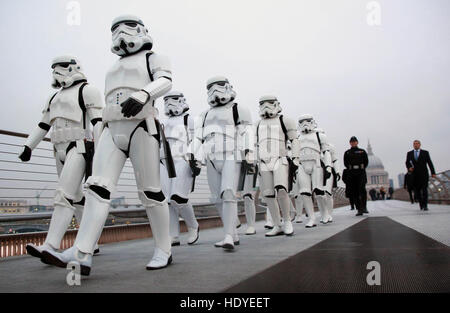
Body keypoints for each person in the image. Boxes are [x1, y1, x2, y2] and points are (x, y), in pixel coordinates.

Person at [42, 15, 174, 275]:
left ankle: (164, 249)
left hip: (141, 125)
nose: (122, 34)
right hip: (112, 129)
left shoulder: (154, 58)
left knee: (150, 192)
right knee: (96, 188)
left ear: (143, 31)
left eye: (129, 28)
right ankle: (82, 252)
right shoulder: (112, 67)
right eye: (115, 30)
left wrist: (145, 93)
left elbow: (166, 80)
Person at [19, 56, 104, 261]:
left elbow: (98, 122)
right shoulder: (53, 98)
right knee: (76, 199)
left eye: (61, 67)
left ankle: (50, 245)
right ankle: (91, 242)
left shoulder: (87, 90)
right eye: (54, 68)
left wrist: (102, 152)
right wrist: (29, 146)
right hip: (58, 149)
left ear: (74, 67)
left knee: (63, 195)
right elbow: (43, 125)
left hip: (79, 146)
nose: (57, 72)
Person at [190, 76, 253, 250]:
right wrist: (192, 155)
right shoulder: (204, 114)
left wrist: (249, 153)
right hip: (211, 157)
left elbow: (247, 131)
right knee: (217, 198)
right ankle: (232, 232)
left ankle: (228, 236)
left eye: (219, 86)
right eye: (210, 88)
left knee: (228, 193)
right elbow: (197, 136)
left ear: (228, 87)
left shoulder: (238, 109)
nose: (215, 91)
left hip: (231, 154)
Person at [255, 95, 299, 236]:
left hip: (280, 158)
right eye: (262, 104)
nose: (266, 106)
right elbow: (254, 144)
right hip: (263, 161)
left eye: (269, 103)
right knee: (268, 194)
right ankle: (277, 223)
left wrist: (296, 158)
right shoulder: (257, 124)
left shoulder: (284, 120)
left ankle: (287, 221)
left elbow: (294, 140)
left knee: (281, 189)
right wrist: (253, 161)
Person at [160, 91, 199, 246]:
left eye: (173, 100)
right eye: (167, 100)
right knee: (167, 200)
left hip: (183, 159)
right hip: (163, 161)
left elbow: (197, 139)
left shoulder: (189, 120)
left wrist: (196, 159)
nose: (170, 103)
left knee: (178, 197)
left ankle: (193, 225)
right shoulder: (164, 122)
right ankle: (173, 234)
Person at [295, 114, 332, 227]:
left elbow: (326, 152)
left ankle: (325, 213)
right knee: (305, 192)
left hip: (316, 163)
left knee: (319, 191)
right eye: (302, 122)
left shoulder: (319, 136)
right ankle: (311, 218)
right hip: (302, 164)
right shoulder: (297, 137)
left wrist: (328, 166)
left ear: (312, 122)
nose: (305, 124)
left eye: (307, 121)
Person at [405, 140, 436, 211]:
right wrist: (409, 167)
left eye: (417, 144)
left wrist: (433, 173)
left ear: (420, 145)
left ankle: (425, 205)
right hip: (415, 175)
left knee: (425, 190)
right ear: (413, 145)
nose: (415, 145)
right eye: (414, 144)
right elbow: (407, 162)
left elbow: (429, 162)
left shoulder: (425, 152)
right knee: (417, 191)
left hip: (424, 174)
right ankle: (421, 204)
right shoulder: (409, 153)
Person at [343, 136, 368, 216]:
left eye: (354, 141)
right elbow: (346, 163)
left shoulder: (362, 151)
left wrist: (361, 168)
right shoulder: (347, 153)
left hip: (361, 173)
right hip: (351, 173)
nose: (353, 143)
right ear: (350, 143)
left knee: (362, 189)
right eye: (352, 142)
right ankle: (359, 209)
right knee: (355, 191)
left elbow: (366, 162)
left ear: (357, 142)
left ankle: (364, 207)